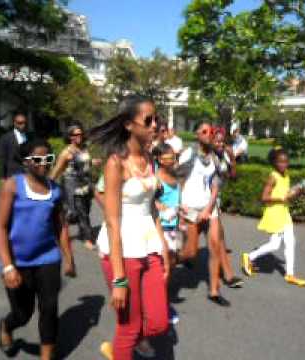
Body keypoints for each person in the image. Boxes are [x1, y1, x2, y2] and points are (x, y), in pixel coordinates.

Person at [90, 95, 170, 360]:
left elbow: (151, 207)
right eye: (148, 120)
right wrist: (119, 278)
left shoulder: (149, 158)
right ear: (128, 124)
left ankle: (126, 346)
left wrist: (164, 247)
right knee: (129, 328)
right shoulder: (116, 163)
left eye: (156, 119)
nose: (155, 125)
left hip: (150, 247)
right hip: (123, 252)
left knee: (159, 323)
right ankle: (121, 349)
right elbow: (113, 222)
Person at [0, 138, 75, 360]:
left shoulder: (55, 190)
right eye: (38, 159)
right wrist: (8, 266)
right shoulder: (12, 185)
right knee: (23, 313)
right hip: (17, 261)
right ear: (26, 161)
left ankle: (46, 356)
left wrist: (69, 258)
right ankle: (6, 325)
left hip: (48, 259)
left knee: (49, 309)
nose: (44, 163)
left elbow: (60, 226)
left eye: (48, 159)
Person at [176, 122, 229, 306]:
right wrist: (179, 206)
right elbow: (177, 177)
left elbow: (216, 185)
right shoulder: (189, 154)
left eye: (211, 131)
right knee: (190, 253)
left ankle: (214, 291)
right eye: (204, 131)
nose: (209, 134)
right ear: (197, 135)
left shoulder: (215, 157)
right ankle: (167, 262)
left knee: (214, 247)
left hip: (209, 207)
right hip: (189, 208)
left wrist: (209, 208)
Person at [241, 148, 305, 287]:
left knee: (287, 242)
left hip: (284, 212)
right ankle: (250, 257)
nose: (284, 164)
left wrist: (298, 191)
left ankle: (289, 274)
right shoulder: (273, 177)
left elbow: (287, 195)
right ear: (274, 163)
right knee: (277, 244)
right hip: (275, 213)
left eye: (286, 161)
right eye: (280, 162)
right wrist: (281, 198)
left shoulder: (286, 175)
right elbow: (264, 197)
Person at [50, 123, 101, 250]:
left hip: (85, 183)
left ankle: (60, 230)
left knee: (84, 210)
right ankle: (87, 239)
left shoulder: (83, 148)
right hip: (72, 186)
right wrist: (47, 184)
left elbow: (82, 161)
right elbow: (57, 170)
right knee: (81, 212)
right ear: (70, 136)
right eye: (76, 134)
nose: (79, 136)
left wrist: (92, 162)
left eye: (80, 133)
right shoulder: (66, 152)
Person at [153, 142, 184, 325]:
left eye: (173, 157)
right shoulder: (156, 178)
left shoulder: (174, 173)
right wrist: (160, 206)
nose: (173, 160)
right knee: (164, 267)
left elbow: (176, 198)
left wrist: (181, 209)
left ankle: (159, 300)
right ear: (159, 159)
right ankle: (160, 306)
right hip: (162, 227)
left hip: (175, 226)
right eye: (169, 158)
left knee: (171, 265)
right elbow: (149, 200)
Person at [212, 128, 244, 289]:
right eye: (216, 140)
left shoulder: (224, 155)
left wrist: (232, 158)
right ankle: (176, 260)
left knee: (220, 237)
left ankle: (228, 275)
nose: (220, 143)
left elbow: (233, 176)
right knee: (189, 251)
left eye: (222, 141)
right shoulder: (205, 157)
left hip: (214, 201)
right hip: (199, 202)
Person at [0, 111, 30, 181]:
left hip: (27, 174)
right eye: (20, 123)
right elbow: (2, 158)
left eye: (24, 123)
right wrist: (2, 177)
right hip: (12, 174)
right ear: (14, 123)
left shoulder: (30, 136)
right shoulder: (5, 138)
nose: (23, 125)